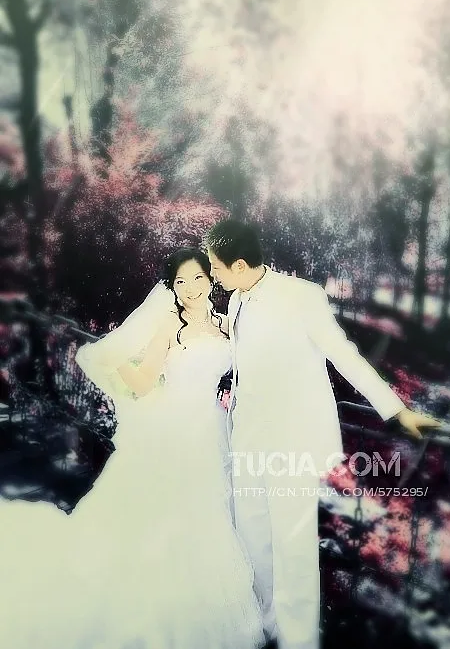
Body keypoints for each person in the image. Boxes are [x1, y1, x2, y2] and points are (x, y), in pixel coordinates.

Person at [0, 248, 264, 649]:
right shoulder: (171, 324)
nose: (191, 288)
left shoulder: (225, 323)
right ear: (172, 287)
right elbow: (142, 383)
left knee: (206, 511)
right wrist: (115, 357)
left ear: (211, 278)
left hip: (210, 430)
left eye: (197, 278)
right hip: (172, 427)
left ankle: (195, 606)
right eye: (180, 282)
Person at [205, 219, 441, 649]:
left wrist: (396, 410)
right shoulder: (237, 299)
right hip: (247, 438)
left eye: (217, 268)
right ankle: (266, 629)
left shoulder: (301, 296)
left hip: (292, 440)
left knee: (292, 546)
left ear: (238, 265)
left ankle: (298, 640)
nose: (214, 277)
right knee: (254, 538)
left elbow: (343, 355)